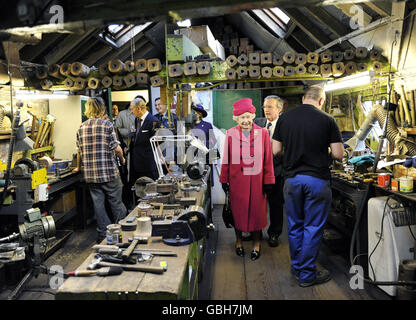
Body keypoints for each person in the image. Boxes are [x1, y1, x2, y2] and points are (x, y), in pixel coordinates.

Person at [272, 85, 344, 287]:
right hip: (317, 181)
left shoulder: (284, 118)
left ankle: (297, 268)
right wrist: (322, 153)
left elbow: (275, 150)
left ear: (304, 98)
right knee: (312, 228)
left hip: (292, 180)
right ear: (321, 101)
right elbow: (338, 154)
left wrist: (293, 155)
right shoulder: (327, 119)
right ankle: (307, 275)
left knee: (295, 226)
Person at [220, 98, 275, 261]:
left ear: (253, 116)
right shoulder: (230, 134)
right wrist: (224, 179)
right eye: (242, 117)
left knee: (257, 213)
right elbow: (226, 159)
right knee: (238, 213)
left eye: (248, 116)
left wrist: (269, 181)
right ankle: (238, 242)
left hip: (258, 183)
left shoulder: (263, 133)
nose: (245, 120)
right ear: (236, 119)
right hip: (237, 182)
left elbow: (267, 159)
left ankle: (257, 243)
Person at [73, 97, 127, 242]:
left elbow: (79, 151)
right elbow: (117, 149)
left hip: (91, 175)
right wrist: (122, 160)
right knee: (116, 203)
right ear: (102, 109)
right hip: (109, 173)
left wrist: (78, 167)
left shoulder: (81, 127)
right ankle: (122, 231)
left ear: (88, 109)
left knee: (99, 206)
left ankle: (104, 236)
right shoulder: (107, 125)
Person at [254, 95, 285, 248]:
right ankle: (256, 232)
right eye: (265, 107)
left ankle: (274, 233)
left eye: (270, 107)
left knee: (276, 204)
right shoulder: (257, 123)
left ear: (279, 109)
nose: (266, 110)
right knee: (257, 203)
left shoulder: (286, 125)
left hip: (277, 171)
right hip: (257, 171)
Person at [128, 97, 160, 187]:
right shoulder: (137, 120)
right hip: (137, 164)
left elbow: (158, 143)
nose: (131, 112)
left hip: (148, 165)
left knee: (151, 189)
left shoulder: (153, 121)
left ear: (138, 109)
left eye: (132, 109)